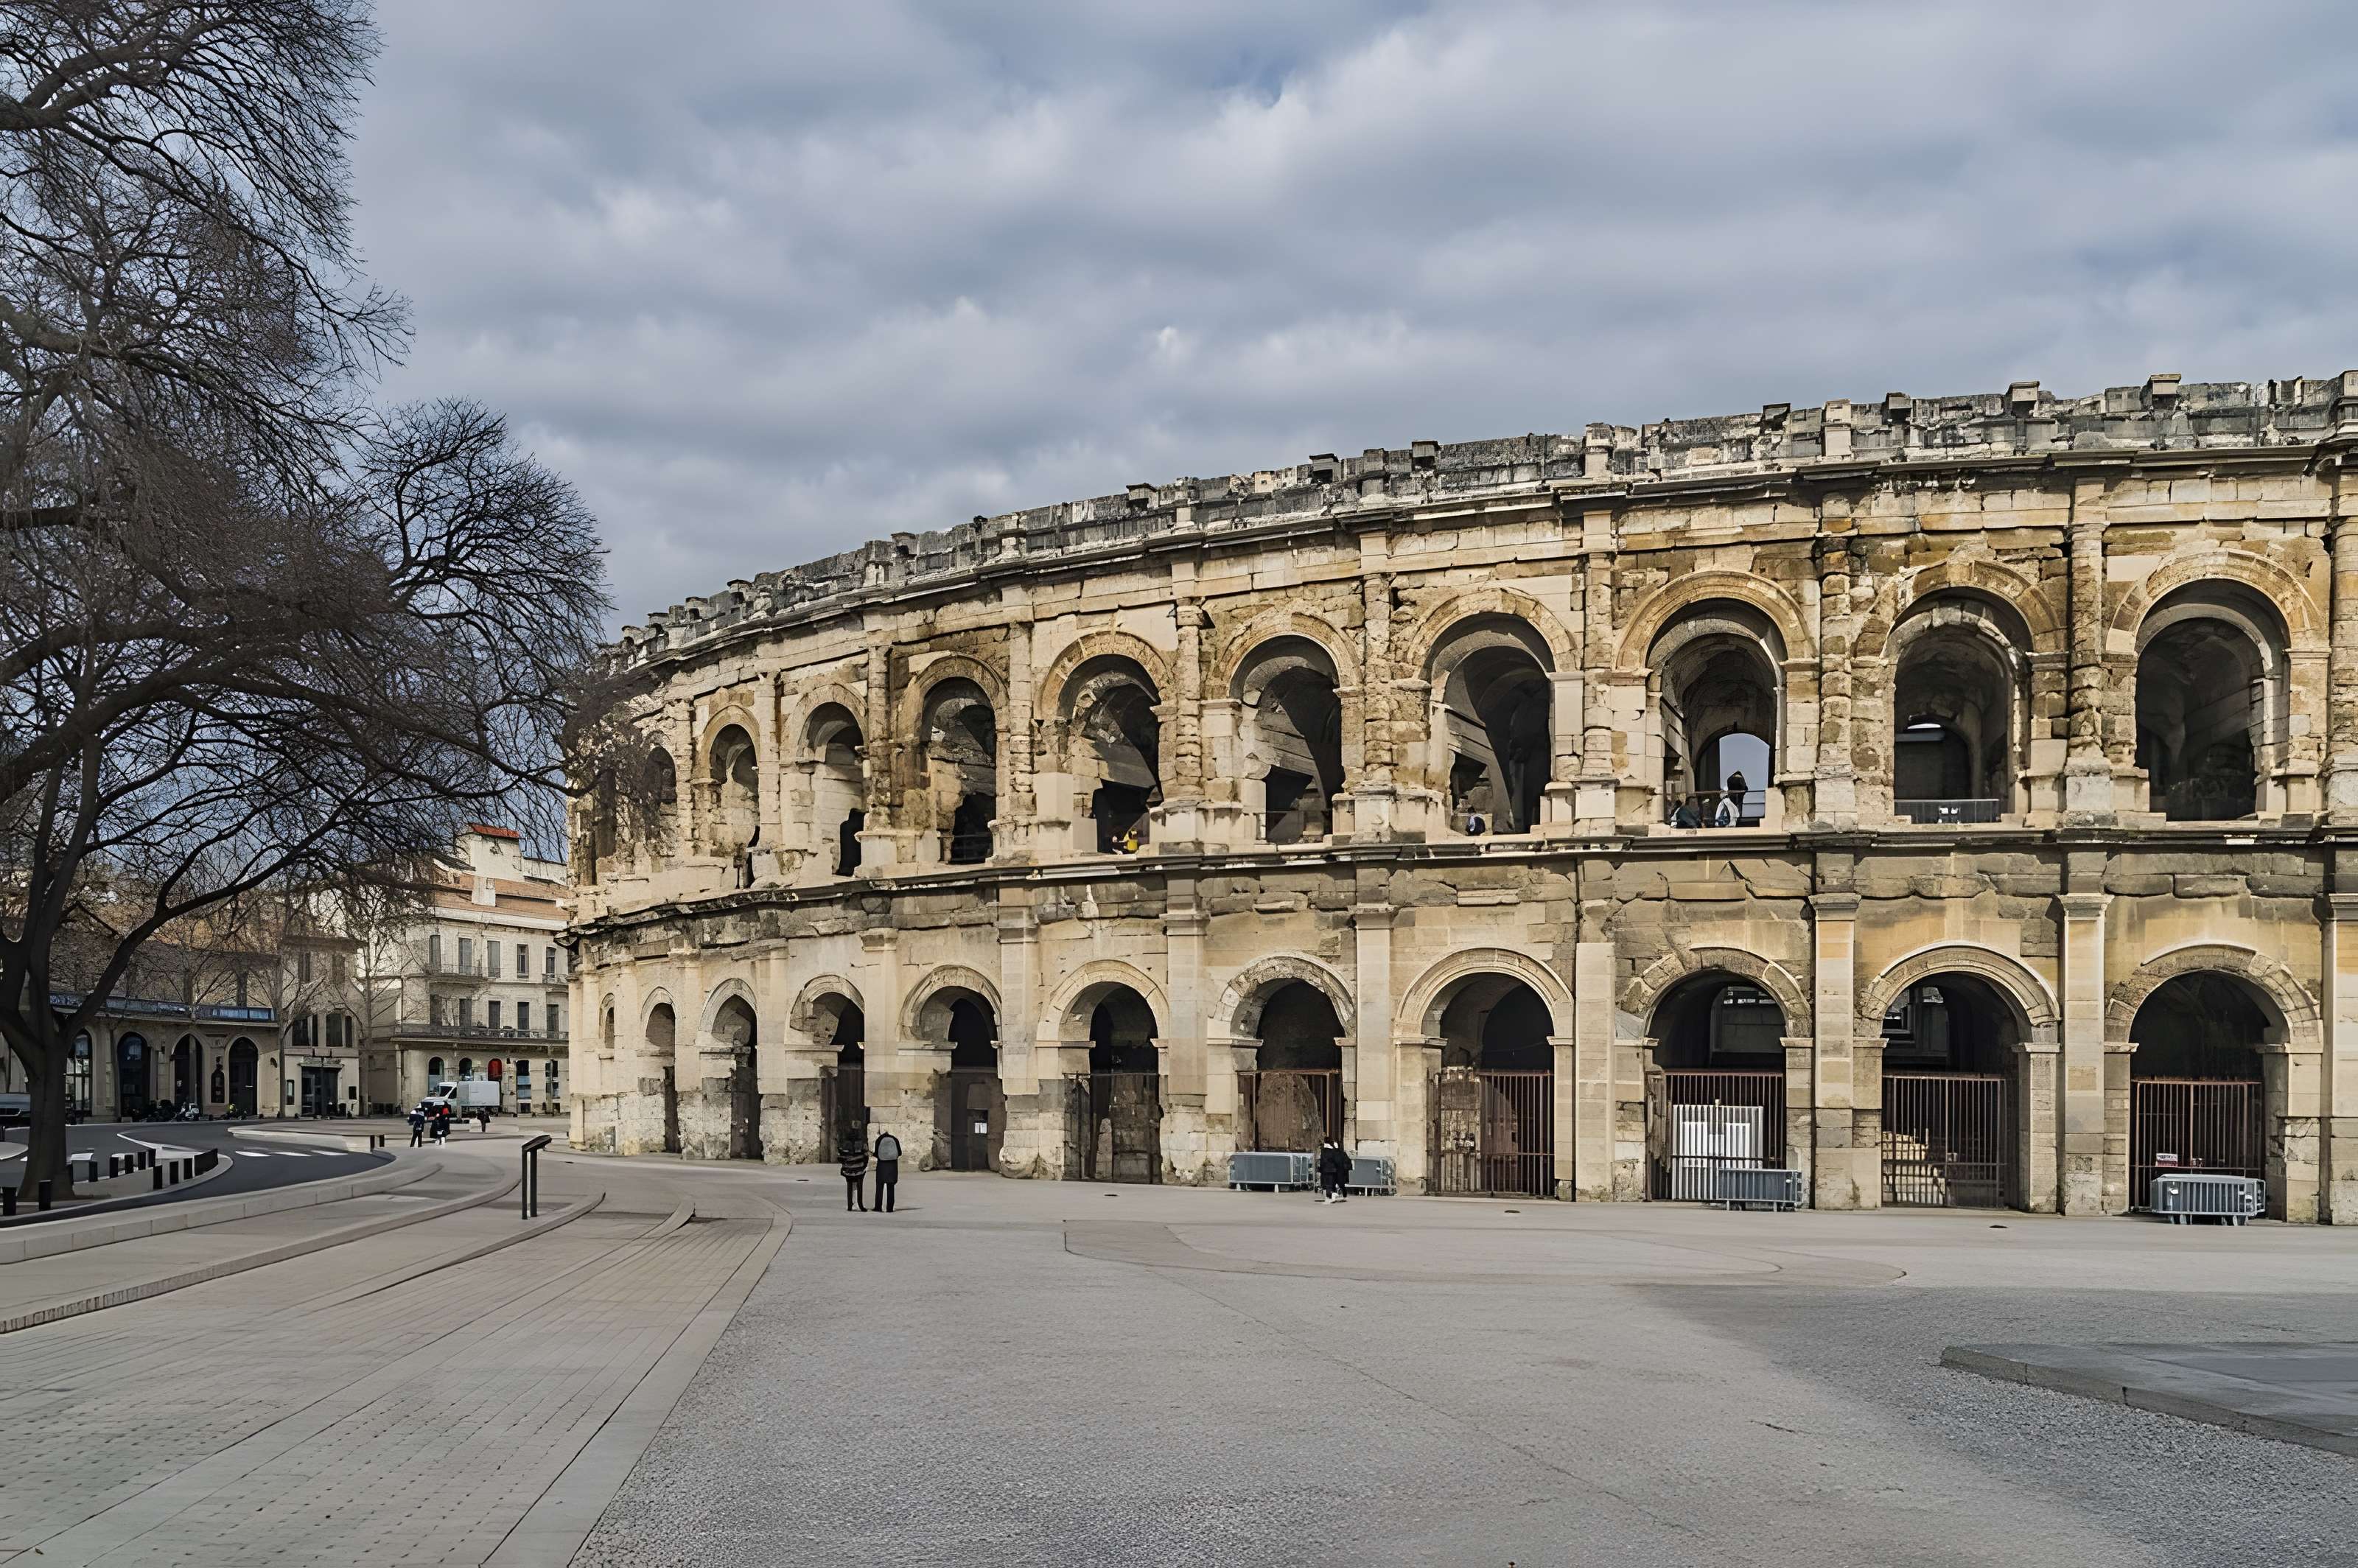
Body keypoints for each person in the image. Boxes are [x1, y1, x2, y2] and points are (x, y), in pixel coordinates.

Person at [839, 1129, 869, 1211]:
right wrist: (864, 1165)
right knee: (860, 1186)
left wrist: (845, 1165)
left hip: (848, 1169)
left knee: (849, 1187)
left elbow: (841, 1157)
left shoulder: (846, 1144)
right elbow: (866, 1155)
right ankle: (860, 1205)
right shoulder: (862, 1143)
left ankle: (849, 1205)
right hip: (859, 1169)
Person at [872, 1129, 903, 1213]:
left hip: (881, 1167)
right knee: (891, 1188)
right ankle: (890, 1208)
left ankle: (878, 1207)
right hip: (892, 1167)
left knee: (879, 1187)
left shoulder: (879, 1140)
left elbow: (877, 1154)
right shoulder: (895, 1139)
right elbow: (899, 1153)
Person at [1316, 1137, 1351, 1205]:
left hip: (1326, 1170)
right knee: (1332, 1184)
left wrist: (1320, 1169)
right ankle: (1332, 1196)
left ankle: (1331, 1196)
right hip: (1333, 1170)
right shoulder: (1334, 1151)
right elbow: (1337, 1161)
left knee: (1329, 1184)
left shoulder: (1323, 1151)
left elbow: (1322, 1162)